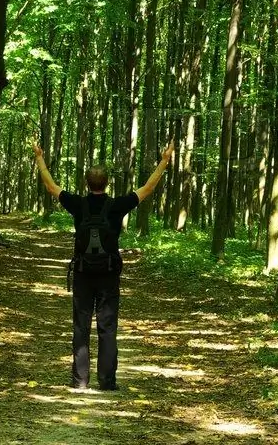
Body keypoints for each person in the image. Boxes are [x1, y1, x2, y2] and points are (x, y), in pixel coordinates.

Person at [32, 139, 175, 391]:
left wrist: (40, 157)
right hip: (108, 274)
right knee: (107, 328)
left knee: (81, 325)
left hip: (82, 273)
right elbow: (148, 188)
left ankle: (80, 381)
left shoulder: (77, 204)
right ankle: (107, 382)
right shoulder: (117, 206)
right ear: (106, 183)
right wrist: (164, 161)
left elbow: (50, 186)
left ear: (87, 184)